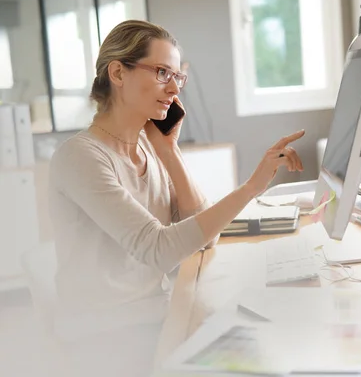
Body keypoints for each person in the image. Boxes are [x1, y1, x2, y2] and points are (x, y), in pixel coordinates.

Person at [48, 20, 304, 377]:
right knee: (258, 360)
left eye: (177, 77)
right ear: (118, 73)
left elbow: (205, 236)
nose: (173, 88)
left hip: (154, 317)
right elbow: (159, 248)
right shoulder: (81, 157)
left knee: (270, 339)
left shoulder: (147, 148)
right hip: (106, 337)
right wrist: (251, 188)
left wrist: (168, 150)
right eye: (162, 73)